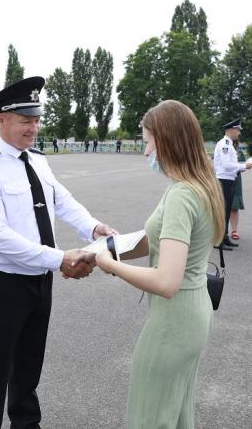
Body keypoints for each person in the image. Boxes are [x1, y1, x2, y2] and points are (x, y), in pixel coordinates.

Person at [0, 76, 115, 429]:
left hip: (39, 280)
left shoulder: (37, 160)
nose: (33, 128)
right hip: (4, 283)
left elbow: (62, 200)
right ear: (2, 120)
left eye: (36, 120)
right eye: (25, 121)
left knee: (29, 363)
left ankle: (26, 424)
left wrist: (93, 227)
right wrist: (60, 258)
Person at [95, 100, 222, 429]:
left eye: (147, 142)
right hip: (193, 312)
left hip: (174, 321)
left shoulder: (181, 195)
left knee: (149, 417)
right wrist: (106, 251)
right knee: (175, 415)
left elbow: (166, 281)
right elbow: (159, 241)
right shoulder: (200, 185)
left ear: (166, 141)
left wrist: (110, 265)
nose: (145, 152)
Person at [213, 119, 252, 250]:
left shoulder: (229, 144)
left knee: (227, 210)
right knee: (223, 211)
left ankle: (224, 238)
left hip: (229, 180)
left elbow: (231, 165)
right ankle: (218, 241)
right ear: (231, 130)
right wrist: (243, 165)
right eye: (238, 130)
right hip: (223, 181)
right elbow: (226, 165)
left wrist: (241, 167)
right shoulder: (224, 144)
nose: (239, 133)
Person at [230, 140, 246, 240]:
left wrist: (244, 166)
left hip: (236, 181)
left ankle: (234, 230)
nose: (234, 144)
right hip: (224, 180)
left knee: (234, 206)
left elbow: (243, 168)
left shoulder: (240, 153)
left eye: (235, 143)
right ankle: (221, 231)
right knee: (222, 207)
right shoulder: (223, 150)